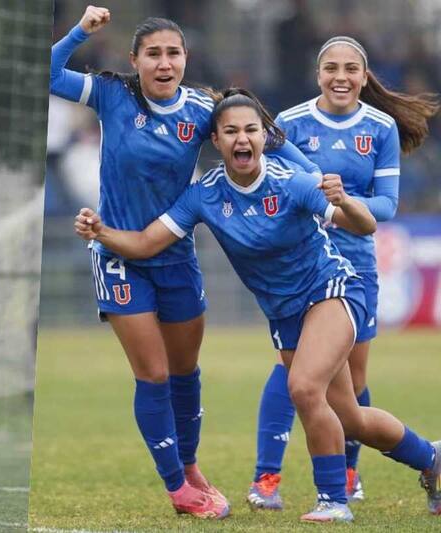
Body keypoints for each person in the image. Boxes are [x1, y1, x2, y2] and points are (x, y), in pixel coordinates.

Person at [74, 88, 441, 523]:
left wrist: (344, 201)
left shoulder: (293, 183)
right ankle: (432, 461)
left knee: (303, 388)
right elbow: (144, 243)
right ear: (216, 140)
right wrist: (101, 232)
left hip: (334, 290)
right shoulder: (202, 196)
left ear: (265, 138)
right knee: (350, 418)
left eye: (250, 129)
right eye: (230, 131)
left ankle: (333, 501)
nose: (241, 138)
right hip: (285, 313)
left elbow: (362, 227)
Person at [50, 5, 320, 519]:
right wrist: (80, 32)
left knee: (184, 372)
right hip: (119, 254)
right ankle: (177, 487)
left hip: (175, 253)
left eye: (172, 52)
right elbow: (47, 74)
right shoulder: (112, 94)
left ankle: (190, 467)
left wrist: (319, 178)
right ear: (136, 60)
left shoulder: (201, 111)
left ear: (185, 59)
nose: (163, 62)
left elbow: (268, 138)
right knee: (151, 374)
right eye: (152, 53)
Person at [248, 36, 440, 511]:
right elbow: (271, 187)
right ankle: (266, 479)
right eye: (330, 67)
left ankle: (354, 473)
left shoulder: (379, 128)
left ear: (363, 75)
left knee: (350, 385)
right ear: (317, 74)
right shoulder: (289, 124)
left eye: (350, 69)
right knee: (291, 368)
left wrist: (343, 202)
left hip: (354, 266)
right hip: (300, 264)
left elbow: (388, 206)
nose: (340, 76)